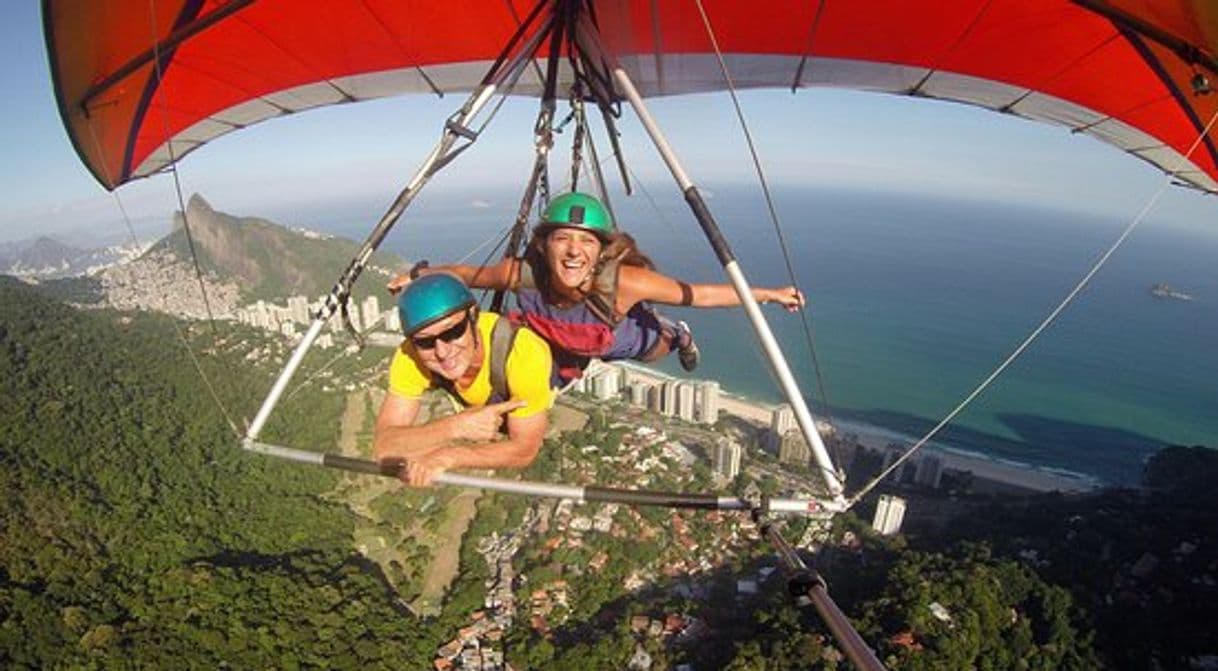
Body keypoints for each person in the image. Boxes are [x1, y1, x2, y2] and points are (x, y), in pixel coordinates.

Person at [390, 192, 805, 386]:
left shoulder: (624, 282)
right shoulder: (523, 274)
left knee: (658, 346)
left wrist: (769, 294)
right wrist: (420, 274)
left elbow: (701, 294)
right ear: (544, 244)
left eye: (586, 241)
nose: (573, 252)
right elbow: (467, 272)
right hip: (564, 340)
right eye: (562, 239)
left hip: (619, 337)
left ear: (600, 249)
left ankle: (678, 334)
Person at [373, 273, 555, 487]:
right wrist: (455, 427)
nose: (442, 352)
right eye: (425, 342)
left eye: (453, 332)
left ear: (473, 317)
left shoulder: (523, 354)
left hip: (535, 375)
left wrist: (449, 456)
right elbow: (383, 448)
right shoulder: (410, 355)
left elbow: (524, 449)